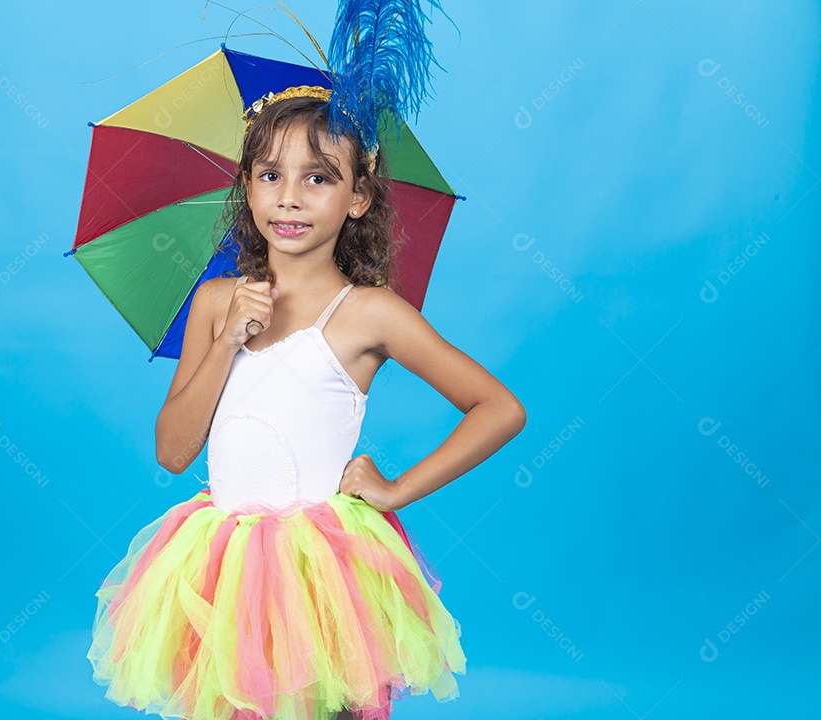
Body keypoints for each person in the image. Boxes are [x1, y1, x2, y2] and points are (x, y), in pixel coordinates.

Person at [87, 89, 526, 720]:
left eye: (317, 178)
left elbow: (499, 408)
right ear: (247, 186)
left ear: (358, 197)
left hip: (319, 571)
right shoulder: (215, 302)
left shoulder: (370, 312)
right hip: (222, 564)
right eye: (270, 175)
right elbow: (174, 452)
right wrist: (227, 338)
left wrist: (398, 490)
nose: (289, 197)